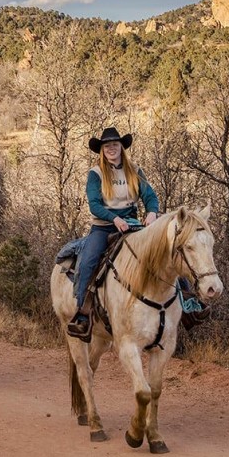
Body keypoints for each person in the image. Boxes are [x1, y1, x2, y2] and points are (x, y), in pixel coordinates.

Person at [66, 128, 160, 341]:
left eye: (115, 144)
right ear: (102, 149)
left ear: (121, 147)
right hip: (104, 227)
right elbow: (94, 205)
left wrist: (152, 213)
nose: (111, 148)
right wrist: (114, 219)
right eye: (107, 145)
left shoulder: (135, 170)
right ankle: (83, 312)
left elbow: (150, 196)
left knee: (163, 250)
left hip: (133, 225)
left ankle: (189, 301)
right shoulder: (96, 173)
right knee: (88, 261)